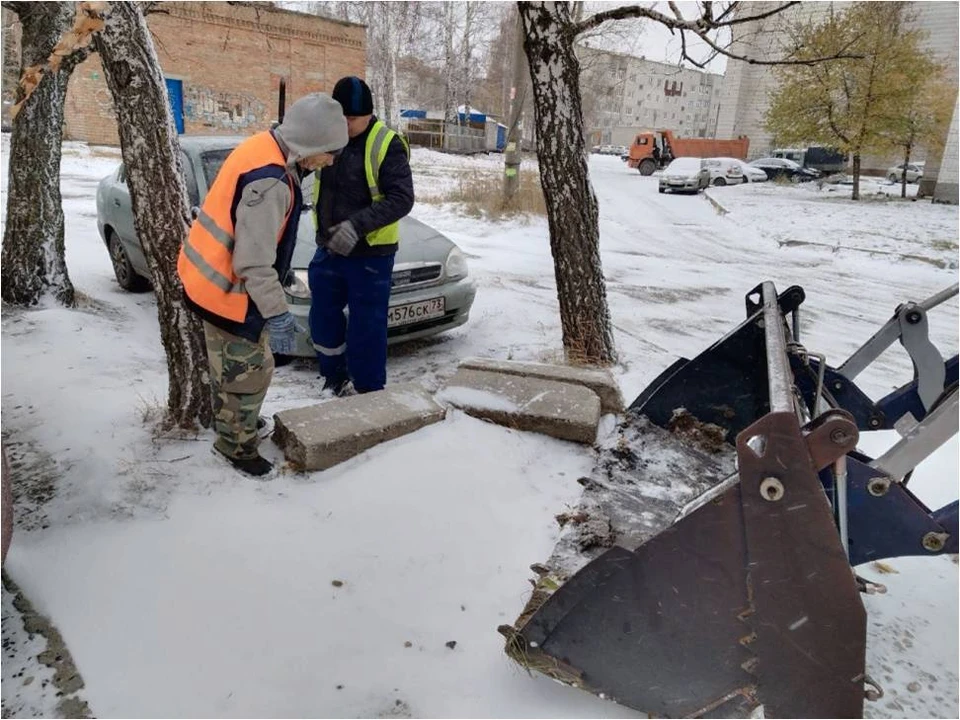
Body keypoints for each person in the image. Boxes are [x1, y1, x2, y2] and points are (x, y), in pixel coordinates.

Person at [178, 93, 348, 477]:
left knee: (237, 368)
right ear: (311, 145)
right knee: (250, 371)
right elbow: (253, 262)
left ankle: (237, 422)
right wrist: (278, 313)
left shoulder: (264, 146)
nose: (332, 161)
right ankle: (235, 447)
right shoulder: (271, 182)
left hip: (208, 277)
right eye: (330, 152)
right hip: (226, 290)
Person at [308, 76, 415, 397]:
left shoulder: (387, 143)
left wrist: (355, 227)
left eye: (351, 118)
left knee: (367, 328)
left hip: (371, 256)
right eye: (339, 117)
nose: (345, 124)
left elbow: (402, 198)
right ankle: (334, 379)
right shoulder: (329, 138)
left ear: (368, 114)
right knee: (323, 321)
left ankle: (370, 394)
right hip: (329, 250)